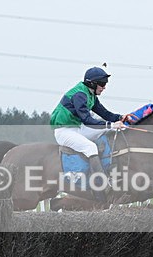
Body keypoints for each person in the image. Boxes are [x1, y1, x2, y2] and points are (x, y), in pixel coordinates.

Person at [50, 66, 129, 200]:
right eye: (102, 84)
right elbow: (87, 120)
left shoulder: (90, 94)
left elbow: (104, 113)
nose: (104, 87)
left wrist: (120, 118)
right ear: (92, 83)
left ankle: (109, 169)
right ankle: (100, 186)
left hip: (77, 128)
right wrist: (111, 125)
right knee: (90, 147)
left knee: (106, 130)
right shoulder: (79, 94)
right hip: (64, 131)